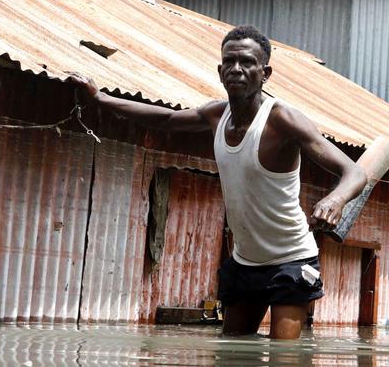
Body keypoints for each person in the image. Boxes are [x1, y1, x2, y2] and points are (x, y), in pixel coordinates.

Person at [68, 25, 371, 340]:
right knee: (232, 353)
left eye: (247, 63)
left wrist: (334, 200)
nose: (237, 69)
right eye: (230, 62)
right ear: (220, 69)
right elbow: (166, 119)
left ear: (265, 72)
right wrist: (100, 99)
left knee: (286, 366)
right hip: (245, 261)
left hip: (291, 259)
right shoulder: (217, 114)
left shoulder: (283, 120)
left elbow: (354, 172)